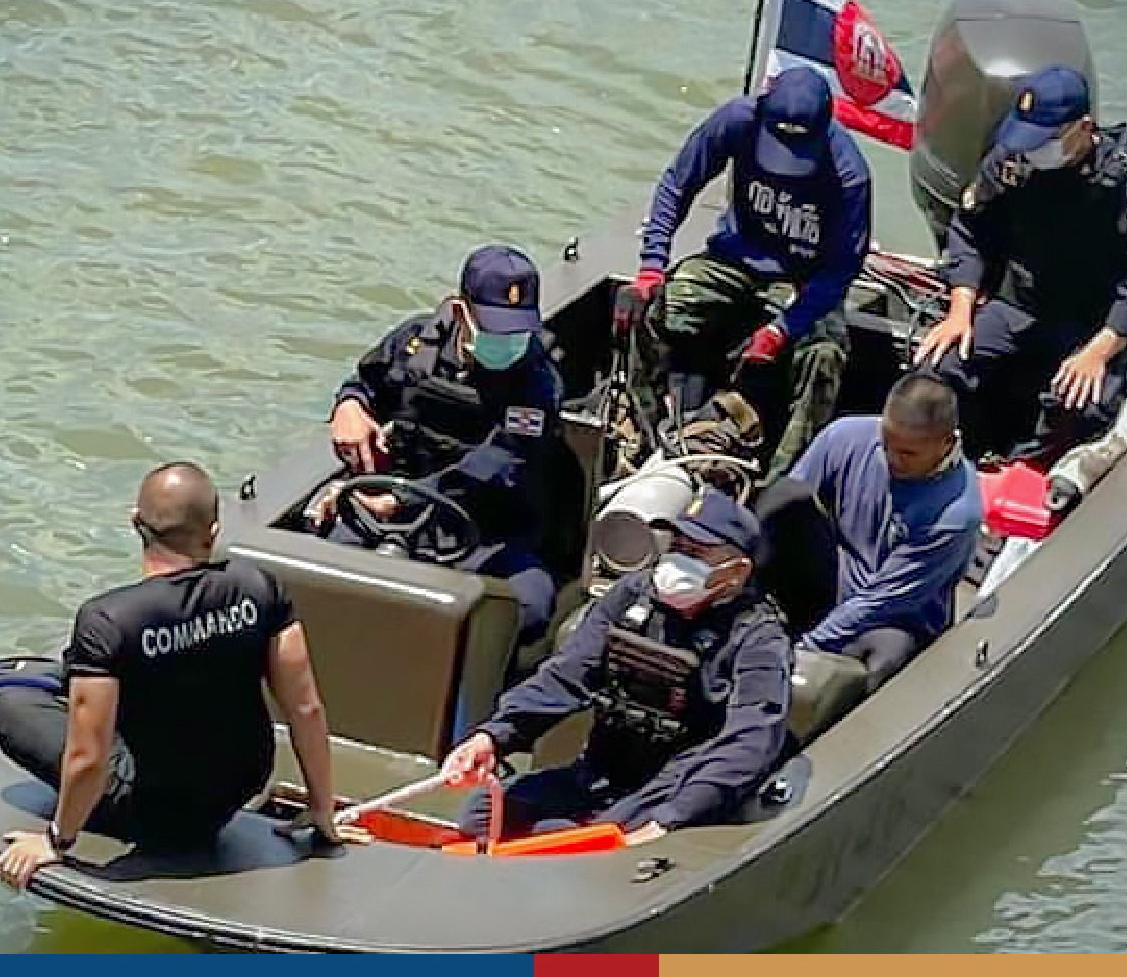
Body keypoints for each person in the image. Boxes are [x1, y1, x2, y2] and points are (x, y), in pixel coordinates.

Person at [0, 461, 350, 889]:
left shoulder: (107, 619)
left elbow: (89, 757)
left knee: (11, 704)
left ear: (135, 522)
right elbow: (305, 708)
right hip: (238, 787)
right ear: (213, 531)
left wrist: (56, 840)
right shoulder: (261, 587)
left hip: (153, 807)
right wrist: (321, 808)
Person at [438, 490, 790, 845]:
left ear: (737, 571)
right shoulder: (632, 596)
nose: (679, 560)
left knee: (573, 844)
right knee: (482, 816)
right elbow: (567, 675)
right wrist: (494, 737)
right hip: (601, 770)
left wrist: (674, 817)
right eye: (677, 547)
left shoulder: (758, 638)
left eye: (696, 553)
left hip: (671, 787)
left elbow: (750, 740)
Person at [618, 65, 874, 485]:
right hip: (735, 262)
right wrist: (650, 268)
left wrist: (783, 329)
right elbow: (676, 186)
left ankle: (781, 483)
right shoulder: (737, 122)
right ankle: (645, 433)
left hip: (803, 285)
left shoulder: (849, 175)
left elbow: (842, 269)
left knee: (824, 356)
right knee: (658, 305)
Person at [913, 65, 1127, 461]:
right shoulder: (1012, 160)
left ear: (1084, 128)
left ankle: (1037, 470)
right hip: (1019, 303)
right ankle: (960, 456)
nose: (1034, 152)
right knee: (936, 368)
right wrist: (960, 308)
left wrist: (1099, 352)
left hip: (1093, 321)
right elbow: (969, 230)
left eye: (1046, 141)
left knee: (1080, 404)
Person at [316, 244, 566, 650]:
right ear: (460, 310)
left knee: (529, 606)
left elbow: (497, 466)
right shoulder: (416, 343)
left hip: (484, 532)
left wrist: (402, 500)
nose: (506, 339)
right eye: (493, 325)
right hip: (391, 513)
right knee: (321, 579)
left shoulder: (537, 383)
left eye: (517, 329)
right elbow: (365, 381)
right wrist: (349, 405)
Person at [754, 373, 983, 691]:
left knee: (885, 659)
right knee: (783, 497)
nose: (892, 459)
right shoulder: (845, 435)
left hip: (892, 615)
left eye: (908, 453)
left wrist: (807, 648)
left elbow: (880, 602)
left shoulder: (956, 514)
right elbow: (786, 512)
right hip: (832, 578)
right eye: (887, 444)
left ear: (946, 444)